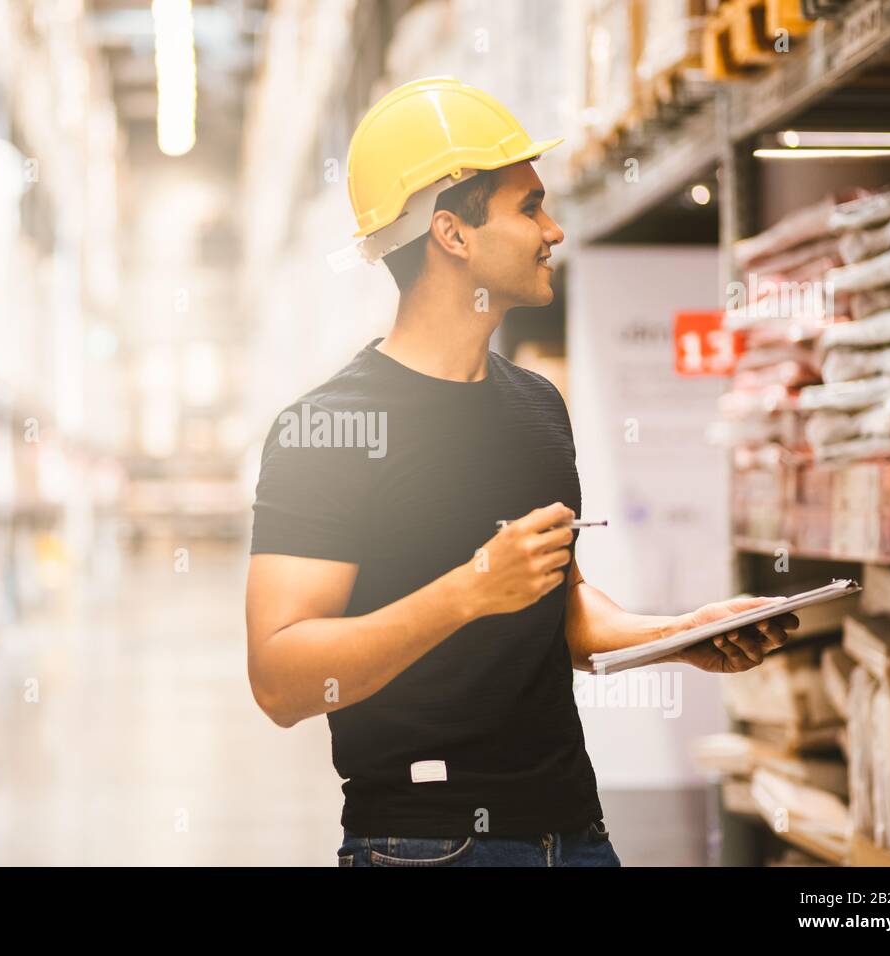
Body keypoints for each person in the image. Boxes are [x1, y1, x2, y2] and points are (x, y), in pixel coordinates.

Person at [244, 77, 798, 868]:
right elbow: (280, 681)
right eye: (529, 207)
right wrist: (467, 590)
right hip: (426, 844)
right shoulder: (324, 430)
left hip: (574, 831)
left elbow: (559, 607)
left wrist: (681, 635)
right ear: (452, 234)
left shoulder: (537, 406)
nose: (555, 229)